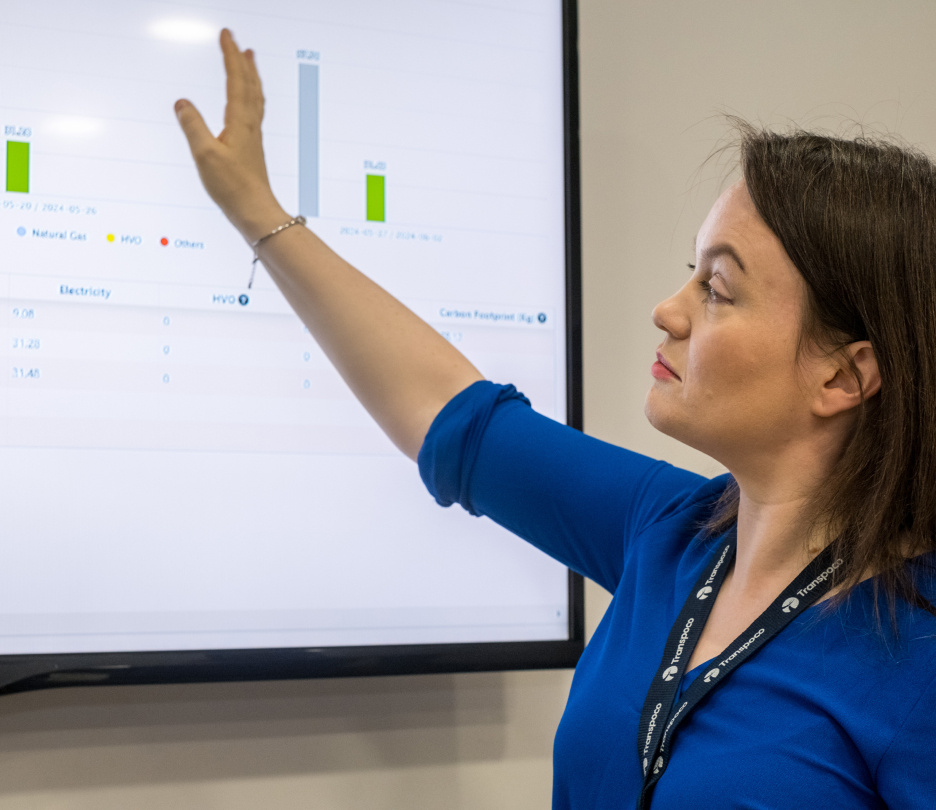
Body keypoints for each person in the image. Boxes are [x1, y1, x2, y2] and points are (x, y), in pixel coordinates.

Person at [175, 30, 936, 809]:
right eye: (690, 274)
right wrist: (256, 212)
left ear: (843, 374)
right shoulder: (672, 535)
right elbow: (446, 412)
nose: (667, 311)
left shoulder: (918, 655)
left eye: (718, 288)